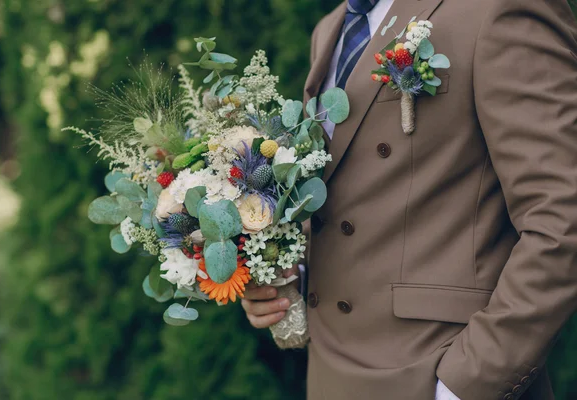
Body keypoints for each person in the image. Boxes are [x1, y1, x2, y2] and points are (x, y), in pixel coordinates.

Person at [242, 0, 577, 399]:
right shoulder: (330, 29)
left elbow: (562, 218)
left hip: (436, 369)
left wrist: (466, 383)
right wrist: (285, 270)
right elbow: (351, 196)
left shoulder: (498, 9)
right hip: (332, 374)